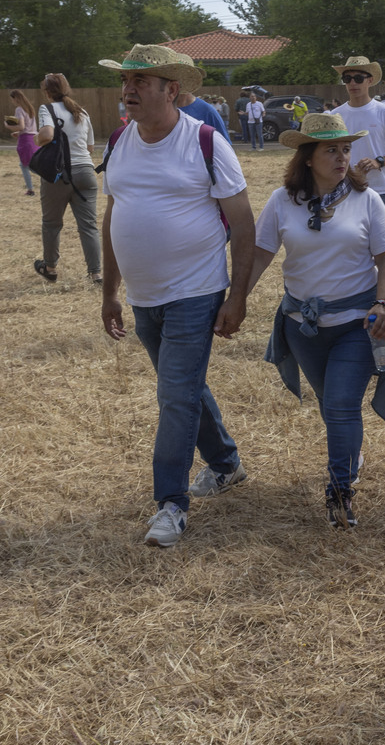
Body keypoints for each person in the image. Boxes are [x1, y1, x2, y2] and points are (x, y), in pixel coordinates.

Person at [97, 44, 255, 547]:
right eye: (126, 81)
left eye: (140, 81)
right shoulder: (120, 138)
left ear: (171, 90)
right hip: (144, 296)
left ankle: (170, 504)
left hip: (196, 291)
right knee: (183, 386)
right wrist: (111, 291)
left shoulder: (206, 141)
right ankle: (226, 465)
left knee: (174, 394)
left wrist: (238, 295)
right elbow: (113, 216)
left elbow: (244, 221)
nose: (128, 91)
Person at [251, 113, 385, 527]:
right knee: (329, 404)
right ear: (307, 156)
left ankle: (340, 491)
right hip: (302, 327)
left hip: (357, 324)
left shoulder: (367, 199)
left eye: (345, 149)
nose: (342, 157)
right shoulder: (280, 201)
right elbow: (260, 256)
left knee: (341, 407)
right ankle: (349, 454)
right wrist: (234, 301)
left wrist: (382, 302)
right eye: (330, 149)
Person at [34, 73, 101, 285]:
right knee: (88, 226)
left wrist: (35, 140)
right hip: (86, 173)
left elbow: (46, 136)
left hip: (59, 174)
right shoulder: (82, 112)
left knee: (51, 224)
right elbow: (90, 147)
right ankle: (95, 273)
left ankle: (51, 267)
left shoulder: (48, 109)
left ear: (46, 91)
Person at [332, 56, 385, 227]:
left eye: (358, 78)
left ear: (370, 80)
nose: (352, 83)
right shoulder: (334, 116)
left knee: (384, 251)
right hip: (344, 192)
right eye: (347, 79)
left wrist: (379, 161)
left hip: (380, 191)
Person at [7, 89, 38, 196]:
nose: (12, 101)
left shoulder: (19, 110)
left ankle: (32, 189)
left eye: (12, 99)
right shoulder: (29, 108)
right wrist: (18, 133)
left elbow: (22, 126)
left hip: (25, 141)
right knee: (26, 164)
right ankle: (30, 189)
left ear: (15, 98)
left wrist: (8, 125)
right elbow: (29, 127)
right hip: (33, 139)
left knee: (28, 165)